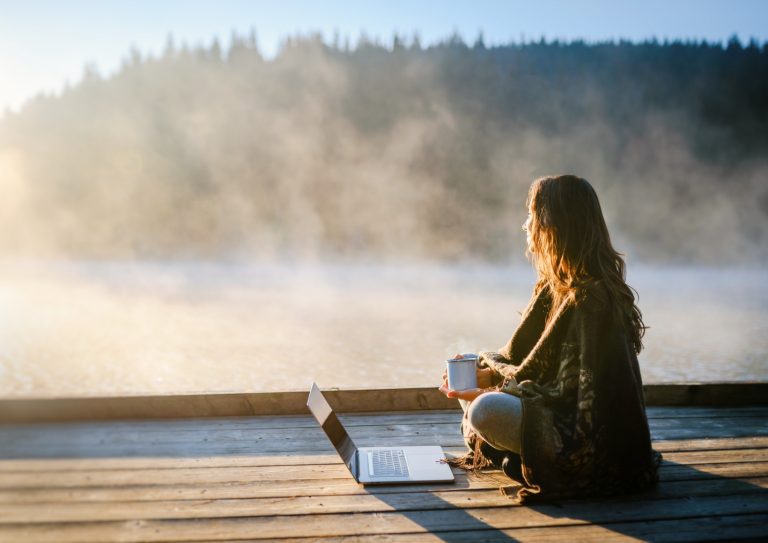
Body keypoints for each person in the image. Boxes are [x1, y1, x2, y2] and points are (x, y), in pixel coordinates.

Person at [438, 174, 660, 503]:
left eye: (531, 215)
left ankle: (511, 452)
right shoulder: (552, 287)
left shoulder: (591, 300)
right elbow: (524, 364)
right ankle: (509, 450)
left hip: (589, 440)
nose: (525, 225)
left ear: (553, 225)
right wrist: (484, 377)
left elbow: (572, 394)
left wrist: (487, 392)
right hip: (548, 404)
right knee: (469, 367)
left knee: (485, 411)